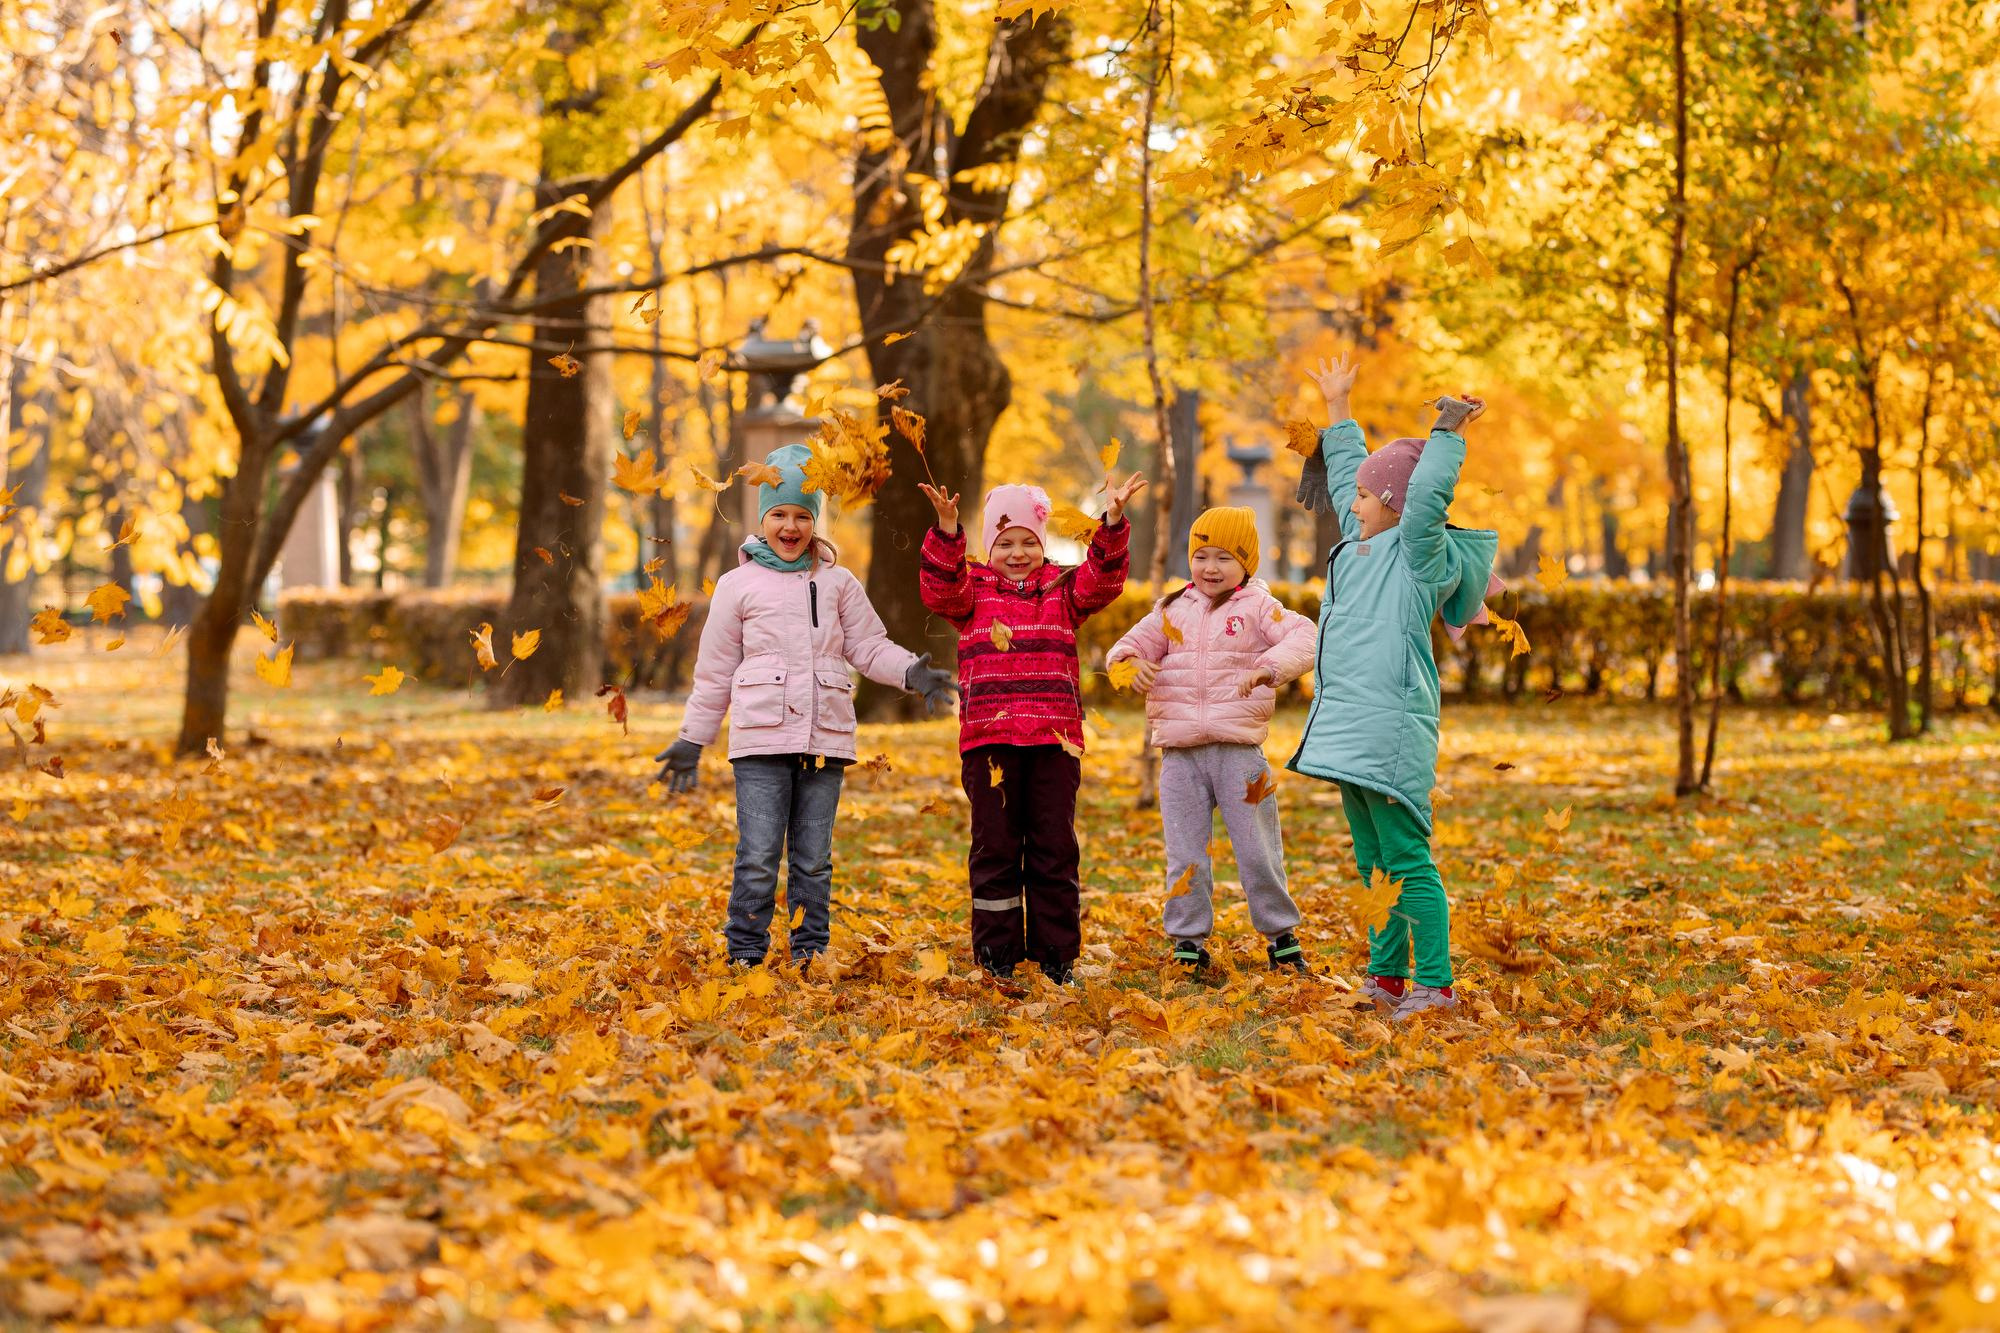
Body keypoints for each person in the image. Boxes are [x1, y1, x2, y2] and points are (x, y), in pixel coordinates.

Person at [655, 443, 958, 967]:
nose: (790, 526)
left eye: (802, 515)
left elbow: (867, 646)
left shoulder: (838, 583)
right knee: (757, 857)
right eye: (779, 515)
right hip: (760, 742)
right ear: (763, 520)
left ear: (815, 523)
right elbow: (715, 670)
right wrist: (692, 738)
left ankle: (810, 951)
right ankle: (746, 950)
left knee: (813, 860)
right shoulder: (737, 586)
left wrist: (911, 671)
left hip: (825, 740)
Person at [1288, 355, 1498, 1020]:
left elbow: (1426, 494)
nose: (1348, 500)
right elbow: (1354, 469)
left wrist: (1448, 432)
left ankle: (1435, 984)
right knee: (1374, 859)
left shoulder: (1415, 554)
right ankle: (1388, 976)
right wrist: (1338, 404)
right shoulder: (1361, 541)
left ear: (1392, 506)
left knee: (1406, 855)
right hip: (1351, 726)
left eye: (1362, 496)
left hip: (1392, 724)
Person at [916, 473, 1145, 985]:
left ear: (1042, 545)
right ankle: (997, 953)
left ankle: (1055, 954)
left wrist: (1110, 524)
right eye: (1005, 543)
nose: (1017, 553)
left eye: (1028, 543)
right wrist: (948, 530)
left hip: (1053, 743)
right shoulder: (970, 590)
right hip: (989, 744)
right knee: (995, 847)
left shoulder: (1063, 589)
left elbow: (1104, 581)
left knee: (1053, 846)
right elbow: (938, 589)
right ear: (988, 547)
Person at [1106, 507, 1317, 976]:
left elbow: (1305, 636)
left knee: (1258, 849)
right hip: (1180, 757)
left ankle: (1281, 935)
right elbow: (1124, 648)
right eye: (1201, 556)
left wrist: (1270, 666)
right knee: (1184, 853)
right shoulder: (1171, 608)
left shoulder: (1261, 608)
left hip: (1241, 754)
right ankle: (1187, 941)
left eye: (1223, 557)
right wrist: (1126, 666)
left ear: (1246, 563)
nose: (1210, 567)